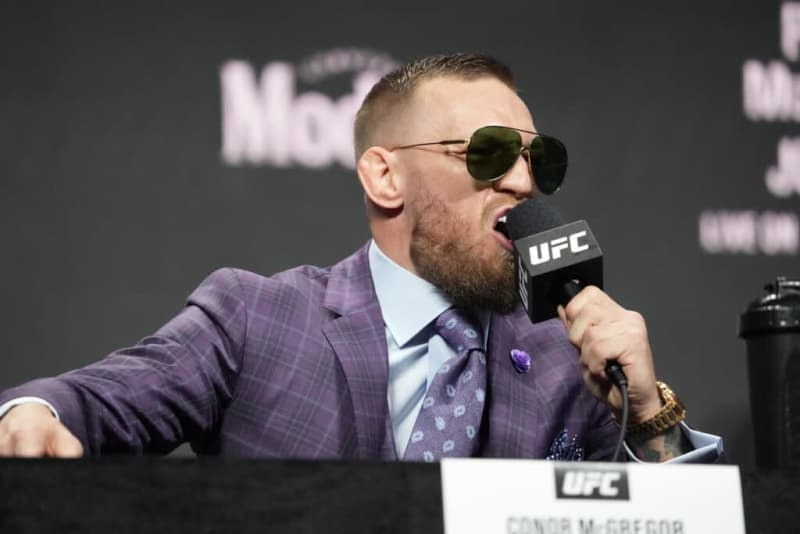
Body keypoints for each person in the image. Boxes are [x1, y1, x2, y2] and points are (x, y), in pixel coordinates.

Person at [0, 53, 721, 462]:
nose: (522, 182)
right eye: (491, 152)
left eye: (540, 160)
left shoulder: (570, 361)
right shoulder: (258, 319)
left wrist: (646, 412)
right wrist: (33, 413)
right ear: (384, 176)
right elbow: (93, 401)